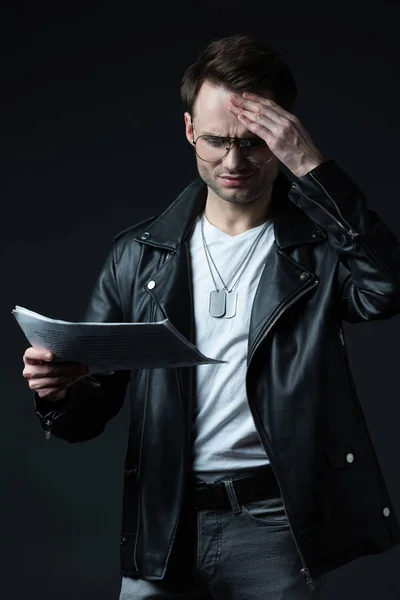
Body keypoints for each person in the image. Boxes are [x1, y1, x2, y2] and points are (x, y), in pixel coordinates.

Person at [22, 34, 400, 599]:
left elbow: (387, 288)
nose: (233, 162)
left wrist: (311, 166)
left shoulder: (320, 249)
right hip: (163, 522)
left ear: (283, 135)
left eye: (254, 143)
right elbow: (90, 410)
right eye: (218, 141)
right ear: (188, 130)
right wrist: (56, 396)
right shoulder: (139, 253)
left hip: (274, 525)